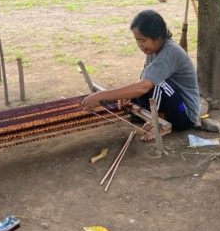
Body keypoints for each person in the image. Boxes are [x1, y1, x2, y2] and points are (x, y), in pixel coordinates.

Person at [80, 10, 200, 140]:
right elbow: (142, 81)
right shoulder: (153, 51)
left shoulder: (169, 53)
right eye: (137, 40)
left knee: (155, 83)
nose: (139, 45)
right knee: (143, 85)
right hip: (173, 106)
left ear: (158, 37)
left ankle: (161, 124)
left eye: (143, 40)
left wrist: (101, 96)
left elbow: (144, 87)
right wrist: (128, 96)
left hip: (184, 114)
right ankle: (157, 118)